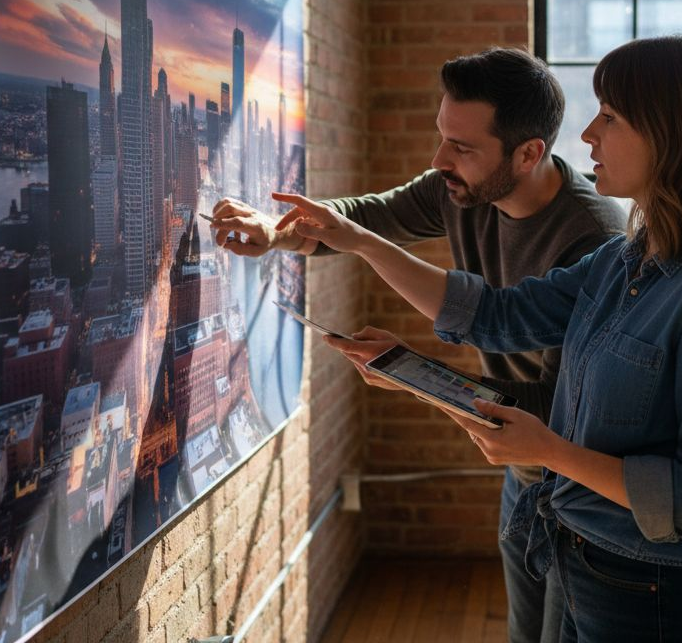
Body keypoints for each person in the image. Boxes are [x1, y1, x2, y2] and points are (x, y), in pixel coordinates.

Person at [276, 34, 682, 642]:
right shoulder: (627, 260)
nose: (590, 133)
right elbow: (497, 316)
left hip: (660, 598)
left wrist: (551, 452)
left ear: (675, 136)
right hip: (577, 558)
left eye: (612, 116)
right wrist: (358, 246)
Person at [209, 47, 625, 643]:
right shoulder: (458, 190)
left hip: (582, 493)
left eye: (462, 147)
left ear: (530, 152)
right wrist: (273, 233)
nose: (439, 161)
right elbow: (368, 218)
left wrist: (417, 376)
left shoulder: (594, 240)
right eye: (441, 138)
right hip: (523, 480)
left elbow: (560, 415)